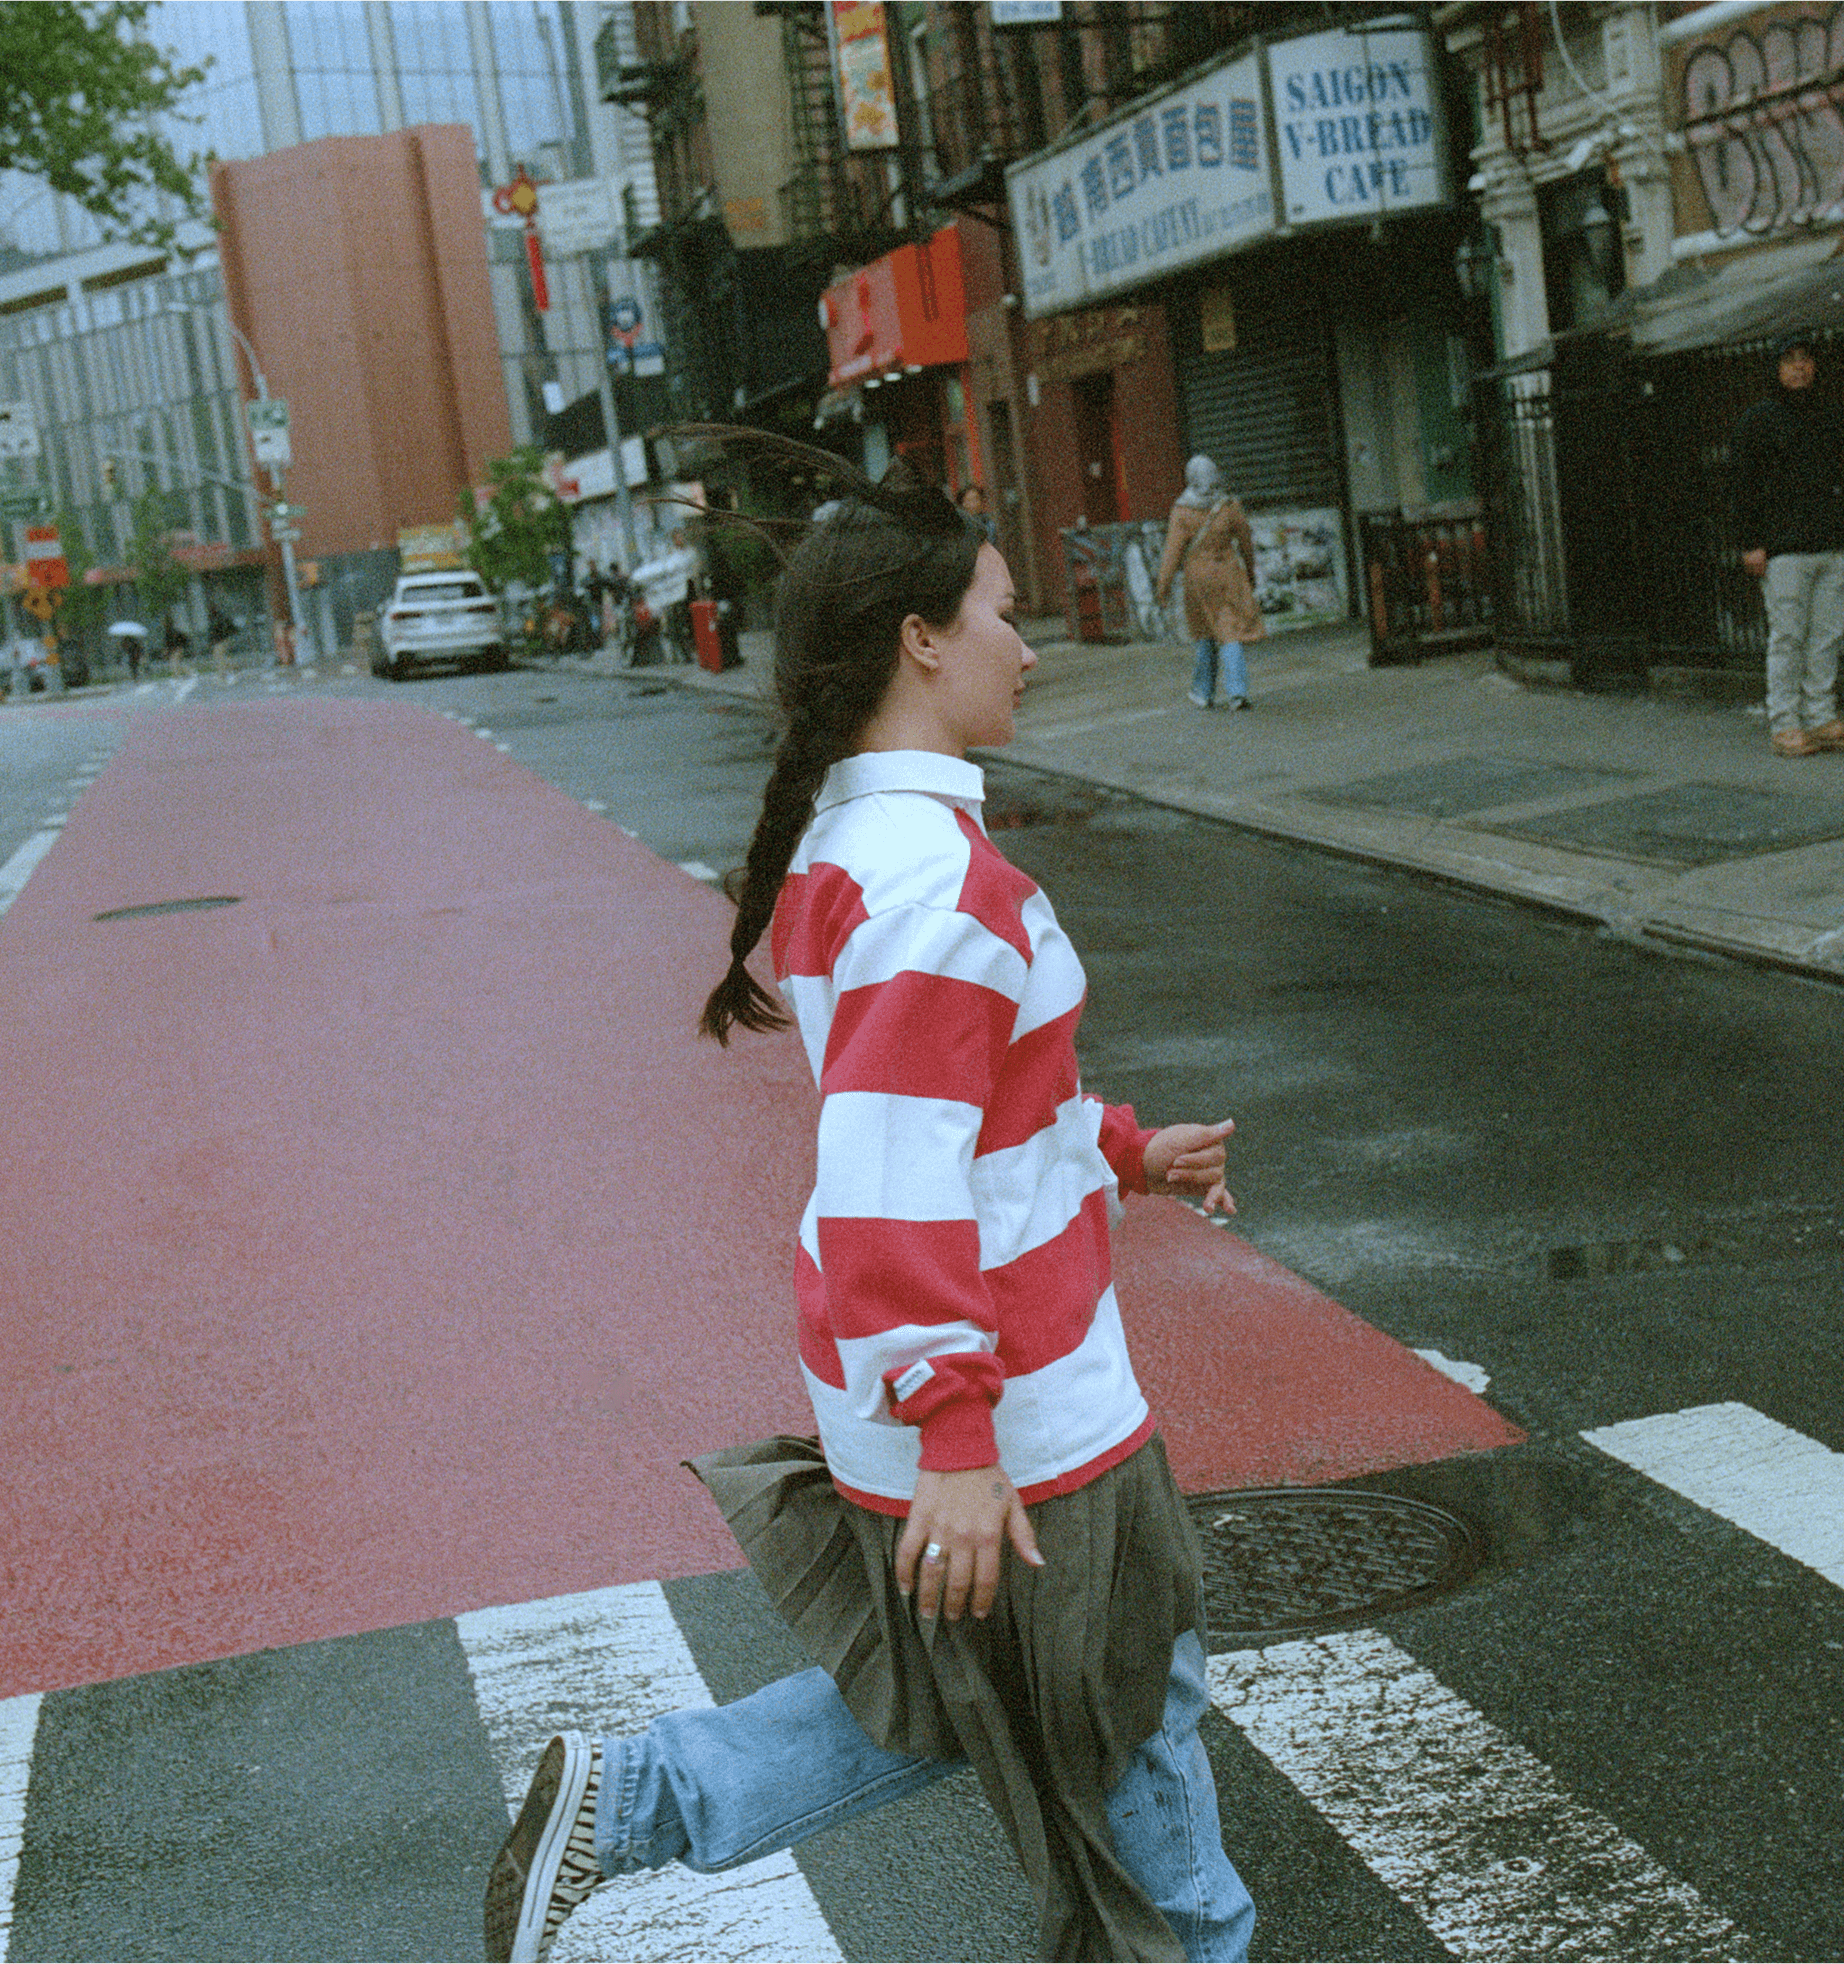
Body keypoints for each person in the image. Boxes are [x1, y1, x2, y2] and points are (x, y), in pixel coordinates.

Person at [487, 459, 1254, 1964]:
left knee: (1007, 1697)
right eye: (999, 613)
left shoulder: (857, 855)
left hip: (966, 1393)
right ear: (919, 638)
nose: (1025, 648)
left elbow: (964, 1120)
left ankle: (636, 1803)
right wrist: (963, 1448)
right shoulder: (933, 890)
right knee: (1124, 1704)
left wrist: (1118, 1145)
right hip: (1018, 1406)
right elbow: (891, 1183)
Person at [1732, 340, 1844, 757]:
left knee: (1827, 636)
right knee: (1788, 637)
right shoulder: (1757, 421)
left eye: (1805, 360)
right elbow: (1743, 486)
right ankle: (1785, 723)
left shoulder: (1833, 417)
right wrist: (1750, 543)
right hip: (1784, 551)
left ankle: (1820, 717)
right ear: (1775, 370)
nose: (1799, 368)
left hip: (1832, 545)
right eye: (1789, 361)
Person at [1151, 457, 1264, 710]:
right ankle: (1237, 693)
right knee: (1229, 630)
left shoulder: (1182, 510)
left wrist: (1163, 587)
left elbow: (1171, 553)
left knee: (1205, 631)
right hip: (1228, 573)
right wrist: (1250, 571)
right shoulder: (1230, 505)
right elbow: (1246, 541)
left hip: (1198, 577)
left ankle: (1203, 691)